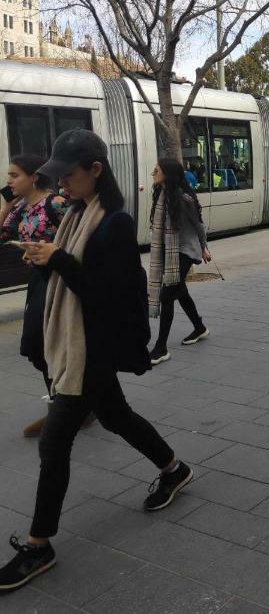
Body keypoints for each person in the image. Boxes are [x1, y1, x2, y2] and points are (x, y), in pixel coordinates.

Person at [0, 129, 193, 593]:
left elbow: (112, 297)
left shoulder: (115, 223)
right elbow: (77, 277)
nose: (61, 184)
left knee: (54, 443)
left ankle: (38, 544)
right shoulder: (78, 213)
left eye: (68, 175)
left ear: (95, 171)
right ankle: (174, 470)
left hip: (92, 346)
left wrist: (60, 261)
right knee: (116, 416)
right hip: (82, 343)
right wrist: (46, 259)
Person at [0, 156, 69, 438]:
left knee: (46, 342)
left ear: (35, 177)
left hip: (61, 279)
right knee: (35, 345)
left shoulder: (56, 204)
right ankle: (65, 403)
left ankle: (64, 408)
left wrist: (51, 250)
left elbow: (79, 240)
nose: (8, 181)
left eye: (15, 175)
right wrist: (6, 205)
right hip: (38, 280)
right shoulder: (19, 209)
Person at [149, 159, 212, 366]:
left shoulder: (183, 199)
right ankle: (199, 328)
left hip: (186, 250)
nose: (152, 173)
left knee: (168, 295)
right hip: (171, 251)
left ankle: (161, 348)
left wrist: (204, 247)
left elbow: (198, 224)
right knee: (180, 291)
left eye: (156, 170)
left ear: (167, 173)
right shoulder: (161, 195)